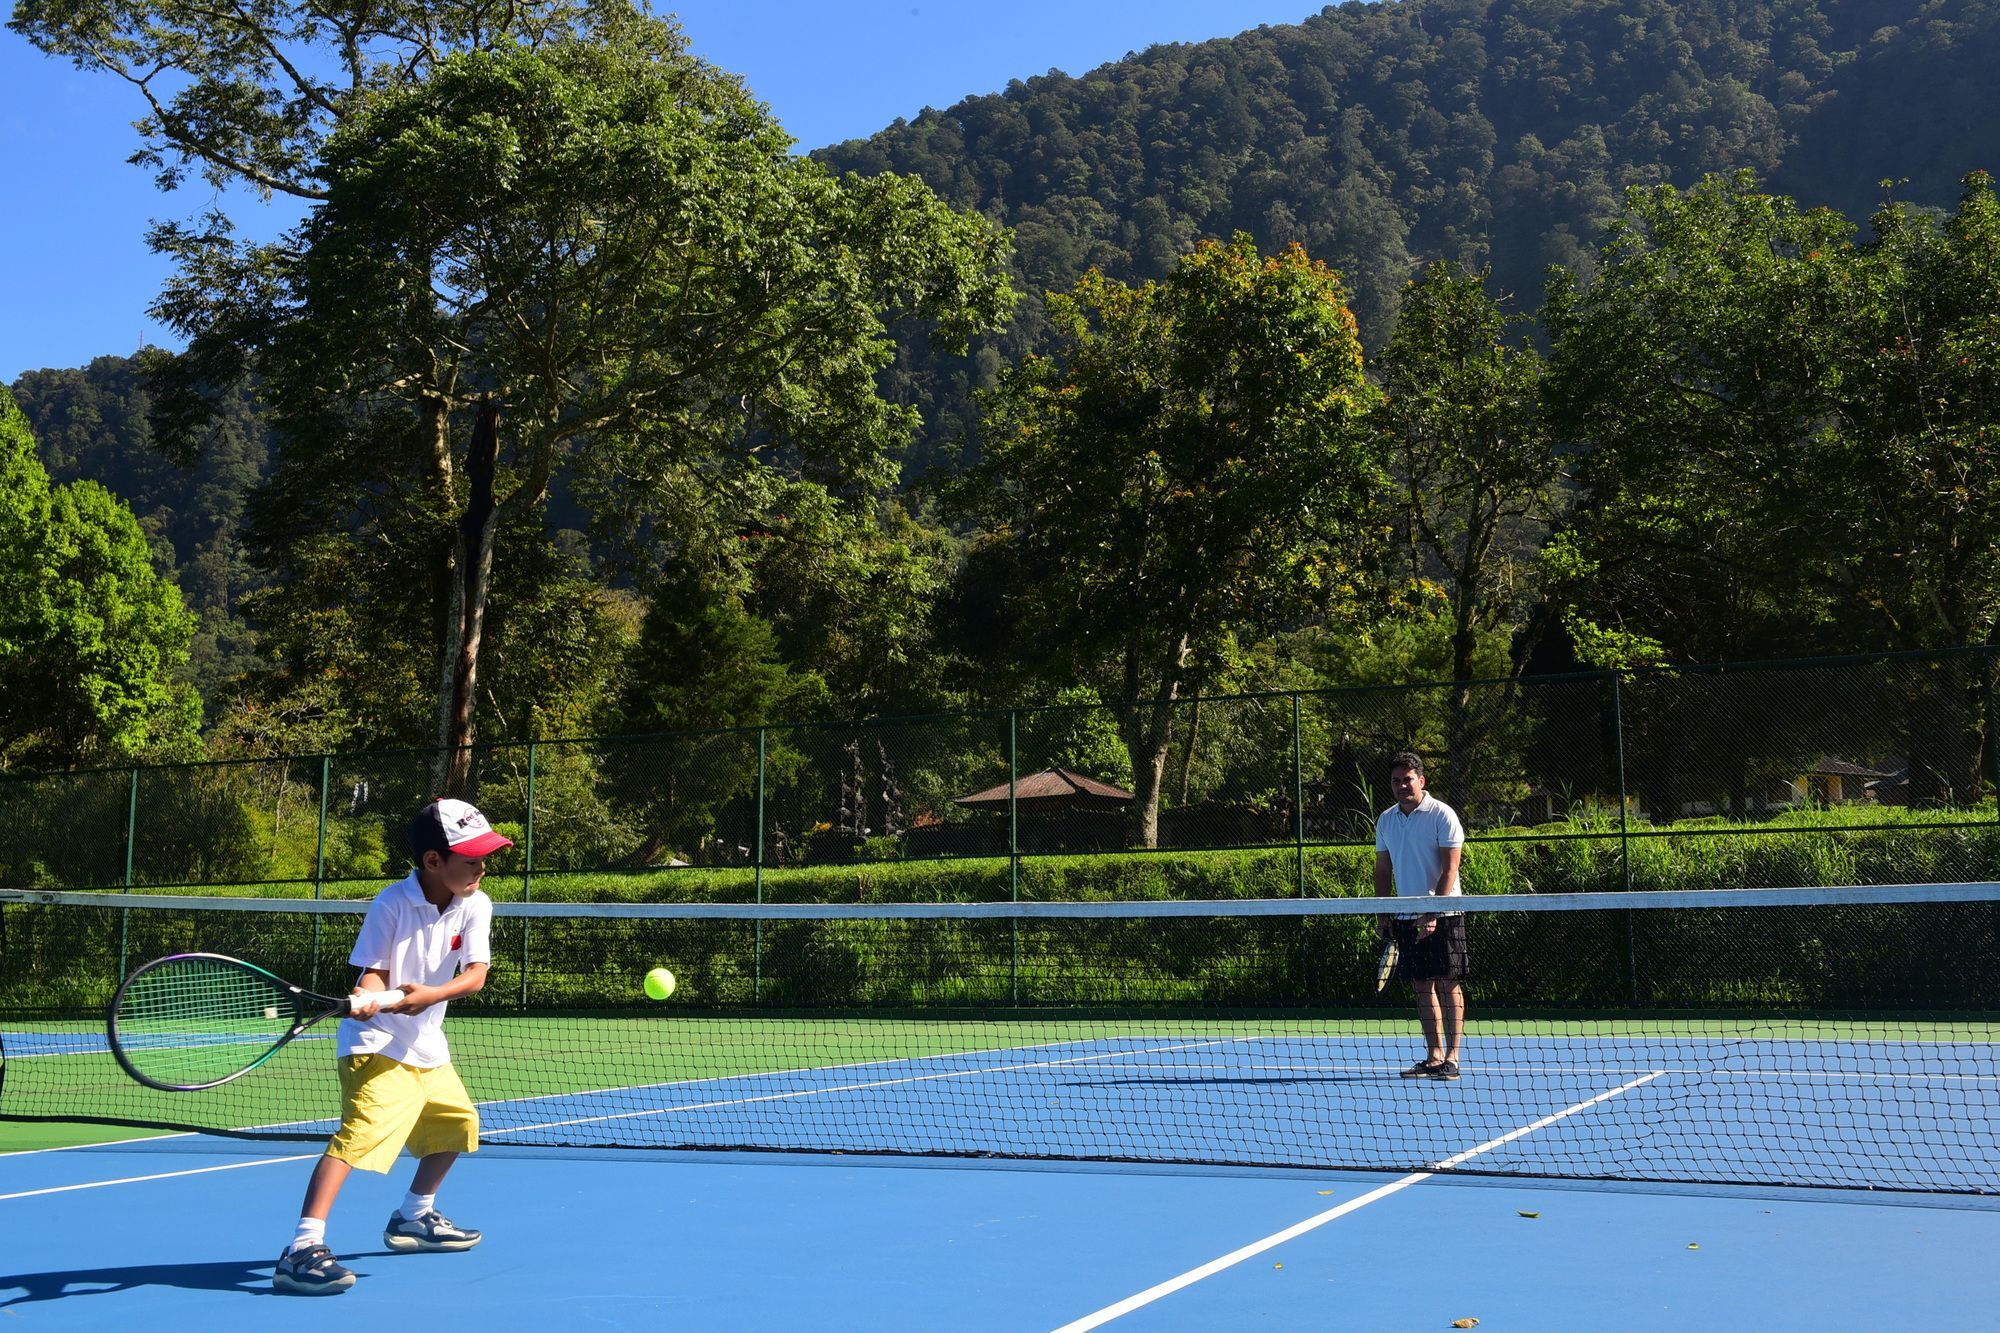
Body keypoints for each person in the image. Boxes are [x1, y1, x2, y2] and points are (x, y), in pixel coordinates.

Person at [273, 797, 511, 1295]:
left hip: (427, 1044)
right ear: (432, 861)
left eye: (485, 856)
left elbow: (475, 976)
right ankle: (301, 1249)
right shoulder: (391, 904)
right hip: (375, 1043)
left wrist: (426, 998)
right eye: (471, 859)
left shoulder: (476, 904)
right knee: (360, 1136)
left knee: (458, 1124)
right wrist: (369, 997)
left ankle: (413, 1218)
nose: (482, 867)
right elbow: (374, 973)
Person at [1373, 751, 1467, 1080]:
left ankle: (1452, 1058)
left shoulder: (1442, 815)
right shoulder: (1386, 820)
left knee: (1447, 982)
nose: (1401, 785)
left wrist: (1433, 912)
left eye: (1408, 779)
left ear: (1421, 781)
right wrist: (1383, 912)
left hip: (1446, 911)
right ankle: (1433, 1055)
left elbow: (1450, 869)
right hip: (1404, 915)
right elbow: (1383, 871)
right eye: (1396, 780)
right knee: (1421, 985)